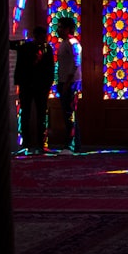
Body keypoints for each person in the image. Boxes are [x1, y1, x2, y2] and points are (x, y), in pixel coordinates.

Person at [14, 26, 56, 154]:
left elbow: (50, 68)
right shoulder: (28, 47)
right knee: (29, 114)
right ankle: (32, 144)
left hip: (36, 86)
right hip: (31, 86)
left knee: (38, 115)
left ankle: (37, 144)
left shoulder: (45, 48)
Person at [56, 16, 83, 153]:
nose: (58, 30)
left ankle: (71, 144)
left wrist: (67, 82)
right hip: (64, 82)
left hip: (70, 83)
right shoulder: (64, 43)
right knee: (67, 114)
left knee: (70, 113)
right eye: (58, 27)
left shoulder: (72, 43)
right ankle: (73, 143)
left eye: (61, 27)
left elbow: (76, 64)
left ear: (69, 29)